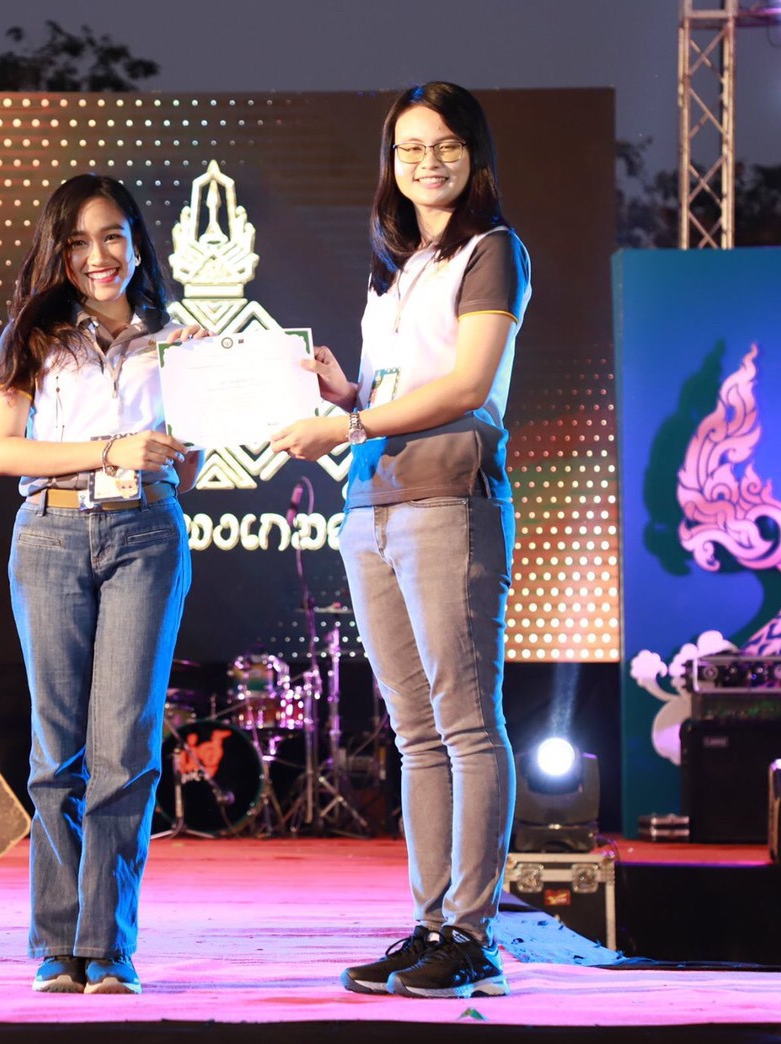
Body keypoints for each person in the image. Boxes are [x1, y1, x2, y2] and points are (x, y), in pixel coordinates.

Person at [271, 82, 531, 999]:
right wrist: (349, 396)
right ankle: (429, 927)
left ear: (475, 153)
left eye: (446, 144)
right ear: (392, 161)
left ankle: (471, 935)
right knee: (416, 736)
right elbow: (400, 388)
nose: (428, 162)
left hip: (449, 500)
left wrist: (347, 425)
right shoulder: (399, 264)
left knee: (466, 725)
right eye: (410, 147)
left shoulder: (493, 251)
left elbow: (466, 387)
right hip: (371, 505)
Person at [0, 173, 204, 996]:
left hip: (146, 531)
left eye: (112, 236)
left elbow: (192, 465)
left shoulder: (177, 338)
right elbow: (2, 452)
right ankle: (55, 943)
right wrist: (114, 448)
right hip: (51, 531)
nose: (97, 256)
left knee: (126, 750)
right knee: (56, 752)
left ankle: (108, 945)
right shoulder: (32, 334)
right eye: (77, 242)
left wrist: (208, 402)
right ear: (58, 252)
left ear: (138, 242)